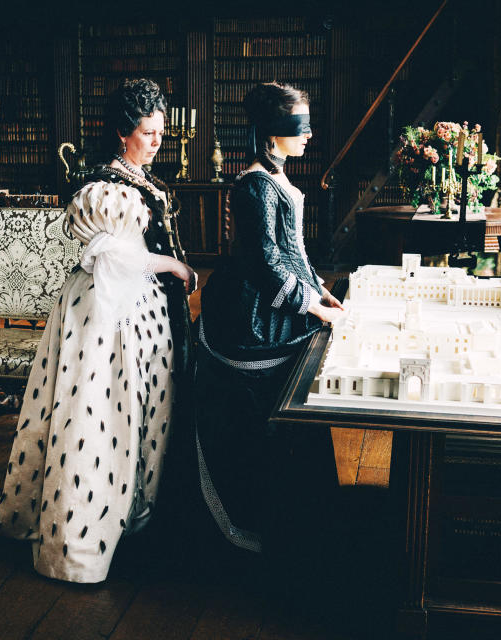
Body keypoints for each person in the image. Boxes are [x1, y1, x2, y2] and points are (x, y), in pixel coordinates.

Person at [0, 78, 195, 583]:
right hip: (110, 317)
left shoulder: (140, 178)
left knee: (144, 412)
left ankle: (131, 514)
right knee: (103, 412)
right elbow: (115, 258)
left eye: (161, 131)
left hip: (144, 312)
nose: (157, 140)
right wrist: (171, 265)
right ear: (124, 133)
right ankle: (82, 537)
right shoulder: (108, 188)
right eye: (148, 132)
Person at [194, 82, 343, 556]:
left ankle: (301, 506)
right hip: (251, 314)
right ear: (273, 133)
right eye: (301, 126)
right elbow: (264, 263)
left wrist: (321, 291)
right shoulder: (255, 185)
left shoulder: (275, 180)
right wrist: (311, 305)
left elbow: (293, 252)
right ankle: (268, 515)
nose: (310, 135)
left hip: (277, 298)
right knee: (268, 416)